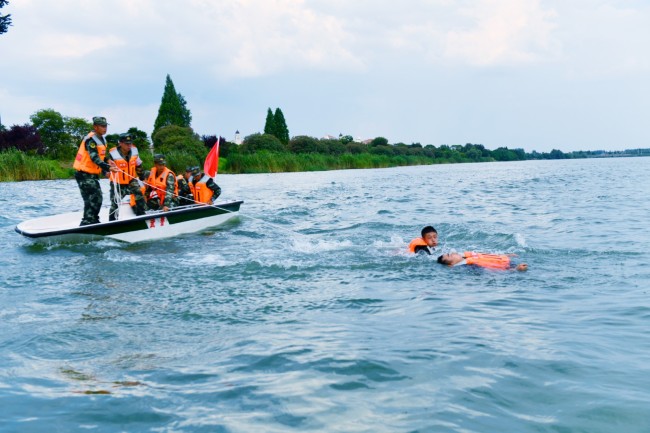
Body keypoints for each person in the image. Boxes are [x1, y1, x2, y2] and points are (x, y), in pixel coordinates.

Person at [72, 116, 118, 226]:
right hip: (83, 173)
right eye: (102, 126)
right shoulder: (91, 139)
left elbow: (101, 156)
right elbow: (94, 157)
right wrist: (108, 167)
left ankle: (93, 221)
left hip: (92, 174)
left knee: (96, 198)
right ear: (95, 127)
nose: (105, 128)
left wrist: (108, 160)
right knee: (93, 198)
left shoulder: (102, 138)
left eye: (106, 126)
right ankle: (87, 222)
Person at [105, 133, 146, 220]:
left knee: (139, 195)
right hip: (117, 182)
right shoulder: (112, 153)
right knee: (115, 202)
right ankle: (112, 221)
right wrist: (106, 172)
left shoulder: (135, 151)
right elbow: (104, 165)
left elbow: (138, 165)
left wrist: (142, 178)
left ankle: (141, 216)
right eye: (126, 143)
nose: (129, 145)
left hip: (131, 180)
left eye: (130, 143)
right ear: (120, 143)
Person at [437, 251, 528, 271]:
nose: (452, 253)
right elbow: (491, 271)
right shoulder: (469, 266)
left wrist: (505, 255)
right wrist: (516, 269)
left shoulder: (468, 256)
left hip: (506, 260)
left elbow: (486, 255)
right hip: (510, 268)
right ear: (452, 264)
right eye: (449, 255)